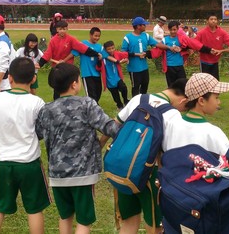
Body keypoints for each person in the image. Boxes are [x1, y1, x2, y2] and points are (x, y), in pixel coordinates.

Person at [36, 63, 120, 234]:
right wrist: (122, 121)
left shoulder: (47, 109)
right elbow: (110, 128)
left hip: (57, 174)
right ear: (75, 84)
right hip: (83, 175)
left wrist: (100, 142)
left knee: (65, 217)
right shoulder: (86, 104)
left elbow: (38, 133)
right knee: (83, 221)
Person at [0, 58, 50, 234]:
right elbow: (45, 130)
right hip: (29, 163)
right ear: (33, 79)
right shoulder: (37, 102)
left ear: (9, 78)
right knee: (34, 208)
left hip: (2, 163)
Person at [115, 79, 189, 234]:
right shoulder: (172, 114)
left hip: (123, 167)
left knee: (128, 223)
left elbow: (116, 124)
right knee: (155, 226)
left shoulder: (138, 98)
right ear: (184, 100)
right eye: (186, 106)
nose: (183, 110)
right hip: (150, 173)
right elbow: (171, 153)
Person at [39, 20, 100, 100]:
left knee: (69, 88)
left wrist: (96, 54)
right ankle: (57, 105)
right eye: (60, 29)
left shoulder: (71, 39)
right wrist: (40, 64)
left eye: (64, 29)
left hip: (68, 68)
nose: (62, 31)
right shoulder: (53, 40)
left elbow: (82, 48)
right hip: (57, 68)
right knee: (57, 89)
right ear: (57, 29)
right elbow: (48, 53)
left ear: (67, 29)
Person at [121, 17, 173, 97]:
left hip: (144, 67)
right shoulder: (127, 38)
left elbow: (157, 44)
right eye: (144, 25)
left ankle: (143, 102)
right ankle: (135, 105)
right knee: (135, 87)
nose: (145, 26)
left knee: (145, 85)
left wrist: (170, 48)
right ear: (138, 26)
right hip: (134, 68)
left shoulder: (146, 36)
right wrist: (136, 54)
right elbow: (123, 53)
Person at [195, 14, 229, 80]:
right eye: (211, 19)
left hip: (215, 62)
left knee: (215, 83)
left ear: (217, 21)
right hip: (204, 62)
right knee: (204, 83)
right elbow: (195, 44)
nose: (213, 21)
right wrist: (208, 50)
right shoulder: (202, 33)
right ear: (207, 21)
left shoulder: (221, 32)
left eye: (215, 19)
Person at [72, 27, 104, 102]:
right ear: (90, 35)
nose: (97, 38)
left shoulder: (100, 47)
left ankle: (93, 107)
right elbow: (73, 53)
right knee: (91, 95)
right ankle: (93, 110)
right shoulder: (83, 44)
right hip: (87, 74)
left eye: (98, 36)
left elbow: (104, 58)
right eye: (95, 36)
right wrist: (64, 60)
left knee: (98, 93)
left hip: (97, 74)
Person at [100, 40, 129, 110]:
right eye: (109, 49)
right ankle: (119, 106)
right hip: (109, 80)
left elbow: (125, 54)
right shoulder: (103, 58)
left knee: (124, 88)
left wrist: (126, 59)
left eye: (113, 48)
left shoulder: (116, 54)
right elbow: (98, 67)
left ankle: (126, 100)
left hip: (117, 78)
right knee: (115, 95)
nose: (111, 50)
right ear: (105, 50)